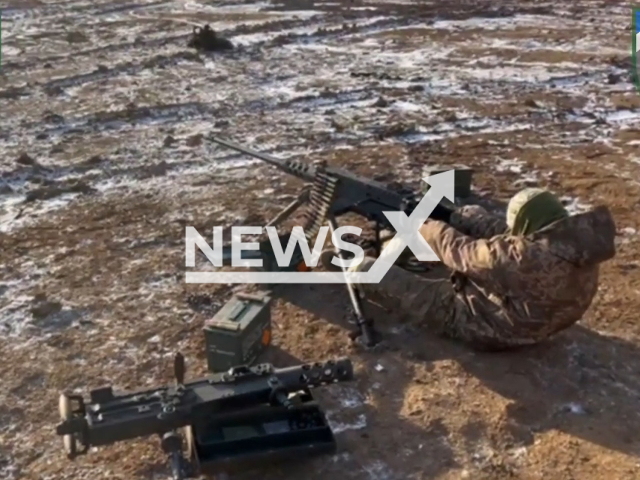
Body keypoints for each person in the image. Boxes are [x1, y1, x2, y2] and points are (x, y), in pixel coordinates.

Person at [341, 188, 617, 351]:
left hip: (494, 330)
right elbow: (508, 237)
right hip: (543, 319)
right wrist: (459, 216)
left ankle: (353, 263)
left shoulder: (521, 257)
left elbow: (463, 252)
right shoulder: (575, 241)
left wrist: (426, 225)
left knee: (381, 275)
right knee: (468, 227)